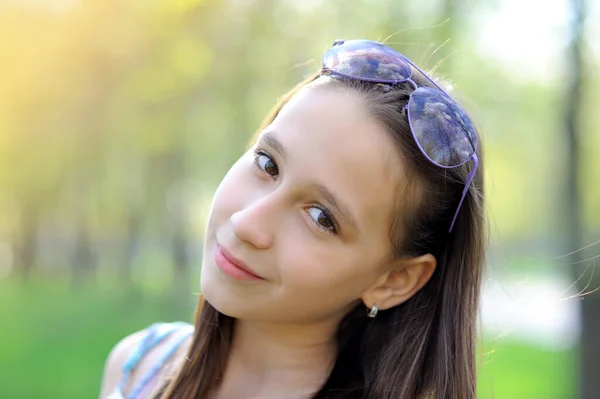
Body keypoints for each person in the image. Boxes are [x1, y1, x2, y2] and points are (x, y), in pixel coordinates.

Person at [99, 39, 486, 399]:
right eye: (267, 164)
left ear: (392, 281)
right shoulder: (137, 368)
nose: (248, 223)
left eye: (321, 217)